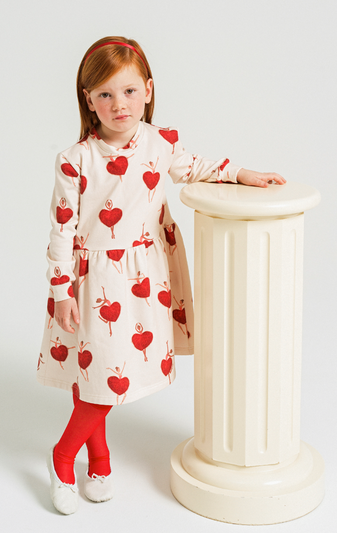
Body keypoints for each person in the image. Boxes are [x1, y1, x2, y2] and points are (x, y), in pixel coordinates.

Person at [37, 36, 286, 515]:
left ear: (148, 90)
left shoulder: (161, 143)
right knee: (102, 370)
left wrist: (242, 174)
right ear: (89, 100)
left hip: (143, 279)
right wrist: (61, 290)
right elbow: (62, 230)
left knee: (104, 370)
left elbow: (197, 168)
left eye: (129, 91)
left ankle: (100, 459)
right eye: (106, 94)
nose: (119, 104)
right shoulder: (75, 159)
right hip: (95, 282)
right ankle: (64, 456)